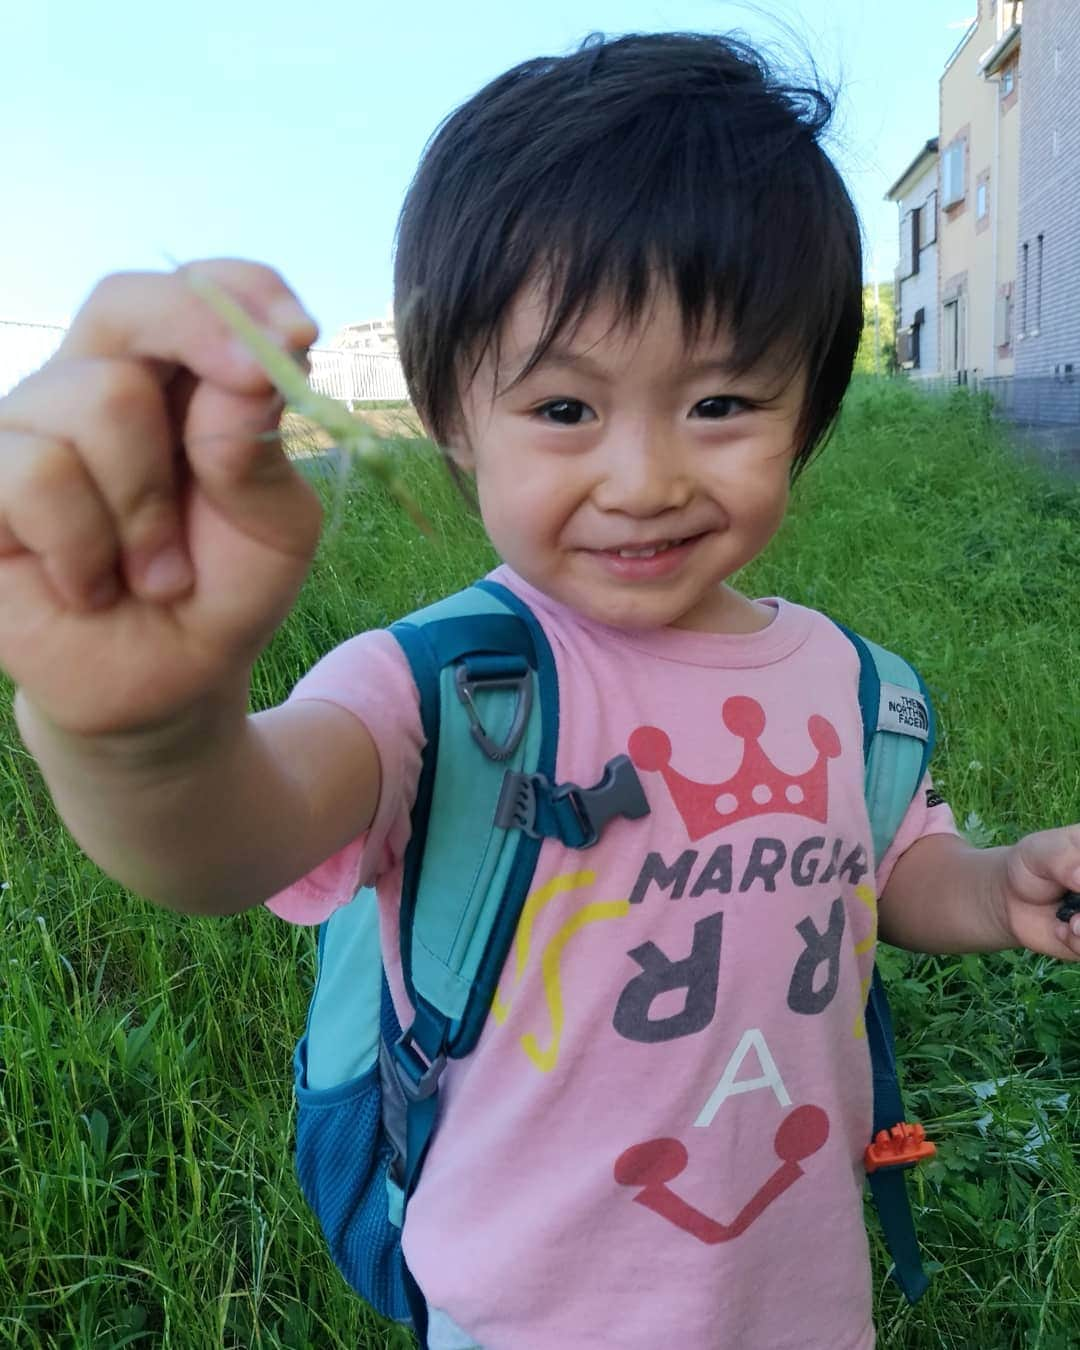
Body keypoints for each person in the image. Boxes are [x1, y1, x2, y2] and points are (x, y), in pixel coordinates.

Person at [1, 30, 1077, 1350]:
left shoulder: (852, 684)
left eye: (723, 399)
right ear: (455, 420)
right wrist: (146, 734)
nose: (643, 477)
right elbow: (223, 836)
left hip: (796, 1299)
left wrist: (1000, 882)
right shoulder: (443, 685)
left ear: (809, 409)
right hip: (524, 1317)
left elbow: (888, 868)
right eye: (565, 409)